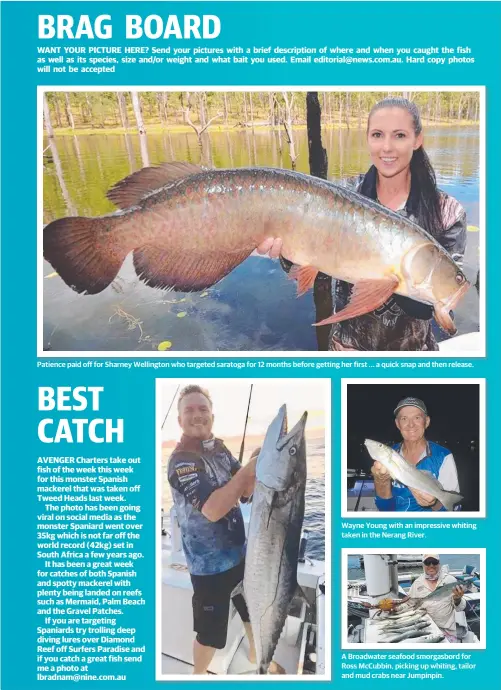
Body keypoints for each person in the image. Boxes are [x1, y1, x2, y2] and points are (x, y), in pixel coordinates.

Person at [260, 97, 467, 351]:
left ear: (417, 139)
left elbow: (430, 307)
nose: (387, 147)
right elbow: (313, 267)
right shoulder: (343, 192)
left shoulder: (448, 212)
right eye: (377, 135)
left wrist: (435, 299)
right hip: (347, 352)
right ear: (368, 138)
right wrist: (285, 252)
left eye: (400, 135)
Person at [167, 384, 258, 674]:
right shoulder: (181, 460)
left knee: (253, 613)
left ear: (212, 416)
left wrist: (261, 465)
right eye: (189, 410)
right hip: (209, 569)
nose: (197, 415)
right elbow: (213, 509)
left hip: (240, 556)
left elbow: (245, 493)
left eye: (203, 409)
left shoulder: (219, 449)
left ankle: (259, 663)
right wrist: (248, 470)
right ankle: (198, 676)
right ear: (180, 420)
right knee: (211, 637)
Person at [371, 397, 461, 512]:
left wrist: (434, 503)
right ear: (398, 424)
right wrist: (380, 481)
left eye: (417, 418)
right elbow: (385, 508)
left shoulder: (443, 456)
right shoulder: (389, 454)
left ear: (427, 422)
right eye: (404, 419)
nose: (411, 425)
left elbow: (451, 511)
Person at [407, 555, 465, 641]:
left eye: (434, 562)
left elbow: (460, 608)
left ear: (439, 564)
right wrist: (396, 606)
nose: (431, 565)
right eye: (427, 563)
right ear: (423, 565)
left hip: (448, 631)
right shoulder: (417, 583)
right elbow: (409, 604)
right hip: (426, 628)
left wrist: (457, 599)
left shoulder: (450, 580)